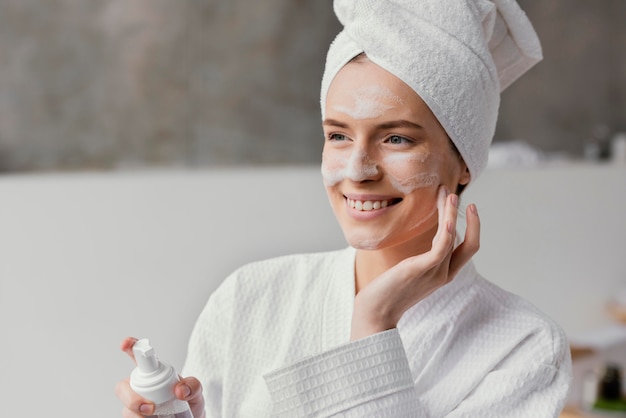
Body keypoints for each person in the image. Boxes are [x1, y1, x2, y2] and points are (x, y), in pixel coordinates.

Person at [116, 0, 572, 416]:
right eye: (338, 135)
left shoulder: (523, 348)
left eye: (396, 138)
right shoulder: (249, 298)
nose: (357, 168)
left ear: (464, 161)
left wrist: (374, 322)